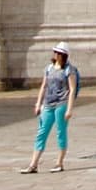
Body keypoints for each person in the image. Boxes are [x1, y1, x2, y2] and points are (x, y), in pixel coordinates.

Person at [22, 44, 79, 172]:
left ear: (64, 55)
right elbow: (44, 86)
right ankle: (33, 164)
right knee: (41, 133)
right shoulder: (49, 68)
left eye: (59, 53)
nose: (56, 55)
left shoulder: (69, 69)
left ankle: (59, 163)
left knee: (61, 133)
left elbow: (72, 89)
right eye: (55, 52)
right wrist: (38, 103)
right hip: (48, 104)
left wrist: (69, 109)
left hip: (61, 104)